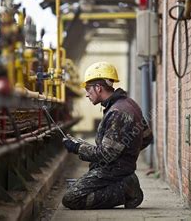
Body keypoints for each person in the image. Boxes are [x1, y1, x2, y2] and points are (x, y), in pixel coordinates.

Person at [61, 61, 153, 210]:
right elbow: (147, 137)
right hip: (119, 168)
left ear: (98, 88)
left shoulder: (117, 112)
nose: (86, 94)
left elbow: (106, 154)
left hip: (113, 171)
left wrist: (77, 148)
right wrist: (126, 152)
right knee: (78, 190)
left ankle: (127, 190)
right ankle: (125, 183)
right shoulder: (129, 104)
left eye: (88, 89)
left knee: (71, 198)